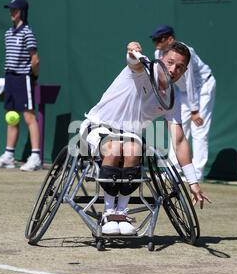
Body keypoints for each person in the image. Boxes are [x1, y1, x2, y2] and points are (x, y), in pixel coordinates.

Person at [79, 41, 211, 236]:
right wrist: (133, 50)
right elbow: (133, 60)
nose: (173, 69)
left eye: (180, 67)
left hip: (130, 137)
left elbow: (180, 140)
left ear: (184, 72)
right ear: (161, 59)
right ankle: (108, 212)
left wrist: (192, 182)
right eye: (170, 62)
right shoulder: (143, 69)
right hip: (97, 127)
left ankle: (121, 213)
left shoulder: (171, 98)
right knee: (115, 147)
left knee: (133, 149)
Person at [151, 25, 216, 181]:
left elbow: (190, 81)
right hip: (183, 92)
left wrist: (194, 110)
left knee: (199, 131)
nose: (157, 43)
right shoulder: (158, 53)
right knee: (178, 128)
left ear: (170, 39)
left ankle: (197, 174)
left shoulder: (187, 53)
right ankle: (173, 170)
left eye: (160, 39)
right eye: (155, 40)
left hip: (203, 88)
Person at [0, 0, 41, 171]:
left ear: (22, 12)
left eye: (15, 10)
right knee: (11, 116)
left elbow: (35, 59)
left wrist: (33, 76)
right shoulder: (8, 33)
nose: (12, 13)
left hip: (23, 77)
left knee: (28, 117)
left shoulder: (28, 32)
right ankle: (9, 155)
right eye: (10, 10)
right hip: (9, 78)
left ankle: (35, 157)